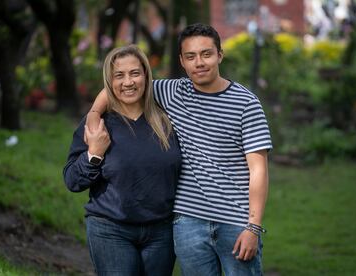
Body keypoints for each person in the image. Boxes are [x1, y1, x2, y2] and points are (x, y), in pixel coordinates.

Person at [87, 23, 272, 276]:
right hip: (188, 223)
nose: (199, 63)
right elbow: (120, 86)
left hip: (236, 222)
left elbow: (258, 170)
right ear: (182, 61)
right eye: (191, 56)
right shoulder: (171, 92)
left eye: (206, 54)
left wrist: (253, 226)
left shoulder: (246, 103)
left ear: (219, 54)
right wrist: (94, 114)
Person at [63, 45, 181, 276]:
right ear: (109, 81)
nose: (128, 82)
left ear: (146, 76)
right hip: (110, 229)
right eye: (119, 75)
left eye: (134, 73)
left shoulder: (168, 120)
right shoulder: (97, 125)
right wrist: (94, 154)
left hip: (161, 232)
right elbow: (72, 181)